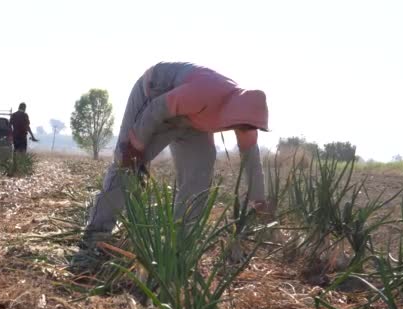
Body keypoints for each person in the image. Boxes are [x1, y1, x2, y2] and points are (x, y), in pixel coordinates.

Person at [71, 61, 270, 270]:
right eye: (241, 124)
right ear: (232, 111)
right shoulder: (203, 94)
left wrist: (258, 199)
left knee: (200, 174)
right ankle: (95, 238)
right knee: (127, 165)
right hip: (154, 95)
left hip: (193, 120)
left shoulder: (247, 118)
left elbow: (252, 160)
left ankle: (179, 246)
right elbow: (156, 109)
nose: (242, 129)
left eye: (248, 127)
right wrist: (136, 146)